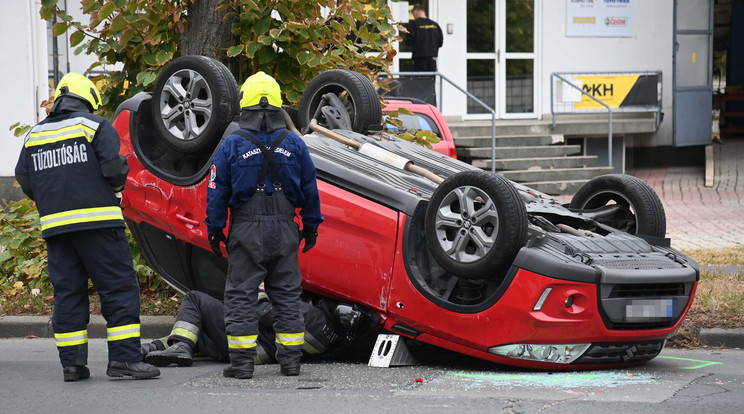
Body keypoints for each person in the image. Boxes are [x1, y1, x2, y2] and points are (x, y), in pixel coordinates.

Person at [14, 72, 160, 381]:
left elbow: (26, 181)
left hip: (57, 230)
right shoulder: (94, 126)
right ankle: (124, 360)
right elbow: (115, 169)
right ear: (88, 100)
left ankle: (72, 365)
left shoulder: (35, 136)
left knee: (68, 293)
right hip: (98, 225)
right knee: (119, 288)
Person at [205, 71, 323, 379]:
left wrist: (215, 229)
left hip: (245, 230)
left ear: (244, 104)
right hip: (285, 228)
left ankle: (242, 365)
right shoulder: (295, 144)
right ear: (278, 104)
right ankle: (291, 363)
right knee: (286, 295)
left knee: (241, 295)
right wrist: (310, 227)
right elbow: (311, 189)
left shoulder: (232, 144)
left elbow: (216, 189)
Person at [140, 289, 367, 368]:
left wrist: (258, 290)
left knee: (195, 300)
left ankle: (180, 346)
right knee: (200, 332)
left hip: (244, 342)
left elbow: (262, 311)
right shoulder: (328, 336)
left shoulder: (311, 316)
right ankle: (151, 348)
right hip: (250, 349)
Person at [404, 5, 444, 72]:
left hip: (418, 59)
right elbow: (440, 42)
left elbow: (409, 42)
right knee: (430, 80)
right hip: (432, 59)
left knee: (419, 81)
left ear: (415, 12)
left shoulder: (413, 25)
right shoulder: (435, 25)